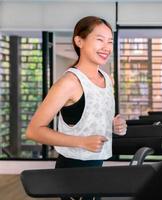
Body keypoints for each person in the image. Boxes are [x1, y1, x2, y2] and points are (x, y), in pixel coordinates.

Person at [26, 16, 127, 200]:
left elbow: (90, 118)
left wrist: (115, 124)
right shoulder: (69, 83)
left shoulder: (107, 79)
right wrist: (82, 142)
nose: (106, 47)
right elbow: (33, 131)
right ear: (79, 41)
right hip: (74, 170)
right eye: (99, 40)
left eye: (110, 41)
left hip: (97, 166)